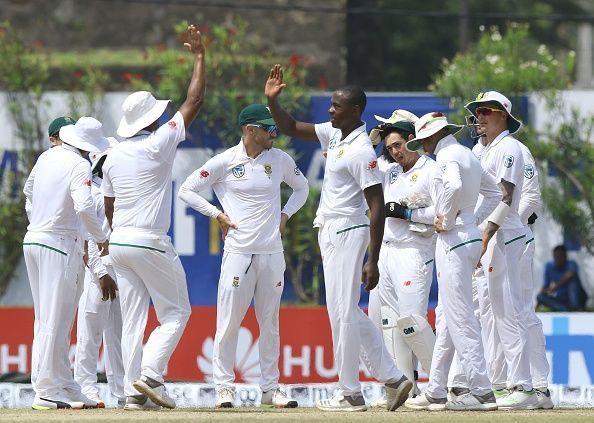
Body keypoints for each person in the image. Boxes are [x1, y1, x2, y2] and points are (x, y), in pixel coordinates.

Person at [265, 64, 412, 412]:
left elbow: (376, 206)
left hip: (349, 230)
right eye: (330, 105)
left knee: (342, 314)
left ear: (355, 111)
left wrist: (372, 259)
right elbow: (288, 127)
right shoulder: (334, 135)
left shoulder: (362, 150)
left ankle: (350, 393)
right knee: (345, 313)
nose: (330, 110)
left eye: (336, 106)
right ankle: (393, 378)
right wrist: (272, 101)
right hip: (329, 231)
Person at [101, 24, 205, 410]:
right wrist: (198, 57)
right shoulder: (158, 144)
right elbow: (194, 99)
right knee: (177, 311)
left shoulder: (111, 155)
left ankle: (132, 394)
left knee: (132, 320)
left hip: (120, 242)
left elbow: (108, 207)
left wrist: (110, 240)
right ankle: (151, 375)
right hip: (148, 240)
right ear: (152, 121)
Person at [178, 104, 308, 409]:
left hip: (272, 253)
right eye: (268, 129)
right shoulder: (226, 161)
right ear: (250, 130)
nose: (274, 134)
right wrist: (218, 215)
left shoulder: (280, 159)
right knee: (229, 323)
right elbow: (187, 189)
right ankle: (224, 388)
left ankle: (270, 389)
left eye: (274, 128)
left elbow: (301, 188)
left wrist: (286, 214)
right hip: (238, 253)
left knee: (270, 323)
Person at [403, 112, 497, 411]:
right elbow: (495, 193)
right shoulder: (467, 154)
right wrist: (471, 220)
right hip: (466, 236)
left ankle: (482, 392)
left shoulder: (445, 157)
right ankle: (437, 390)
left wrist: (448, 217)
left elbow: (454, 187)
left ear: (431, 137)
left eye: (421, 142)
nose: (422, 148)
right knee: (448, 317)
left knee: (459, 318)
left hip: (455, 240)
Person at [23, 117, 110, 410]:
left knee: (52, 319)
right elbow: (84, 205)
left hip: (35, 240)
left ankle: (64, 385)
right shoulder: (79, 164)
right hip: (57, 245)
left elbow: (28, 193)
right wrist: (100, 238)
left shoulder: (46, 156)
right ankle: (46, 390)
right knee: (54, 320)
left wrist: (40, 222)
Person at [464, 91, 536, 409]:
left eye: (485, 112)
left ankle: (525, 386)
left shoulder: (508, 148)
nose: (478, 117)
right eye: (476, 112)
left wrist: (483, 238)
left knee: (511, 310)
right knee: (496, 313)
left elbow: (506, 198)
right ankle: (511, 383)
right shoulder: (485, 150)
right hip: (493, 237)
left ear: (502, 115)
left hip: (506, 236)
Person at [368, 111, 438, 401]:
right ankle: (407, 388)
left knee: (411, 321)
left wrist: (408, 213)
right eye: (390, 148)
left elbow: (442, 213)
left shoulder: (431, 169)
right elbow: (365, 168)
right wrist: (374, 140)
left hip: (415, 251)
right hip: (387, 252)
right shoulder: (391, 171)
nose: (395, 152)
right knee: (388, 321)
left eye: (398, 145)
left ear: (413, 140)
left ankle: (445, 382)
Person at [74, 137, 125, 409]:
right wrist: (100, 272)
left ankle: (120, 391)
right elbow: (89, 240)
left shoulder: (117, 193)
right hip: (99, 274)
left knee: (117, 335)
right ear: (99, 164)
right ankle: (86, 389)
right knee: (90, 333)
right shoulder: (93, 194)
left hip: (119, 269)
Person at [538, 245, 588, 311]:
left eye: (560, 257)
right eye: (555, 257)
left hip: (576, 298)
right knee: (540, 296)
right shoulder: (549, 266)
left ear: (565, 257)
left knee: (573, 281)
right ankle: (564, 309)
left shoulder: (572, 264)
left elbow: (570, 274)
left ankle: (575, 307)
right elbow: (546, 285)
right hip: (561, 299)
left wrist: (555, 287)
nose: (557, 259)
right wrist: (538, 303)